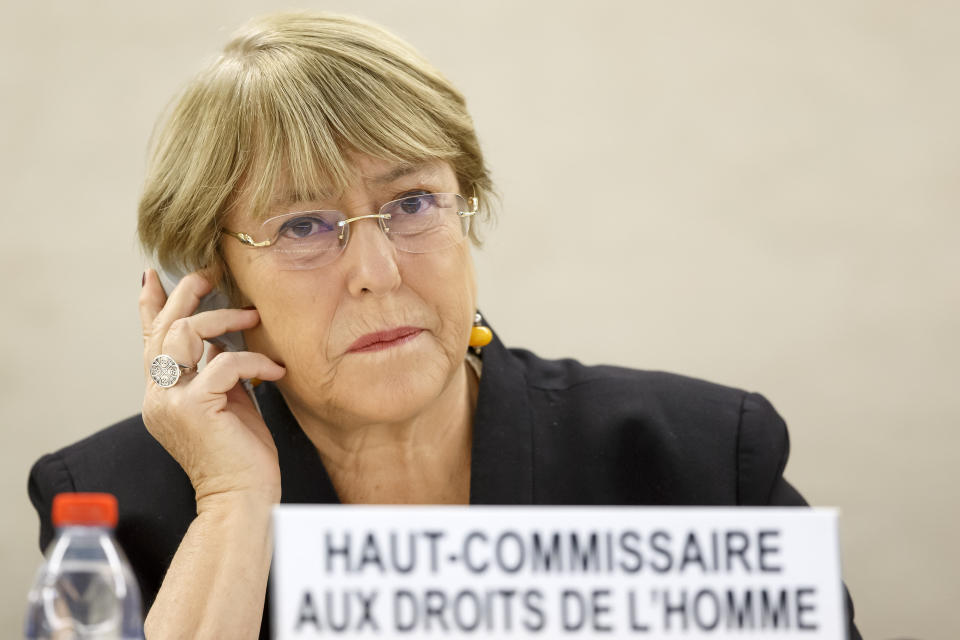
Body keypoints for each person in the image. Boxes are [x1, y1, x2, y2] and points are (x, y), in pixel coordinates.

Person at [28, 11, 861, 639]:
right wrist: (232, 505)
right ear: (212, 280)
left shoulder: (700, 463)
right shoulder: (120, 507)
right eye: (303, 226)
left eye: (412, 203)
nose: (378, 272)